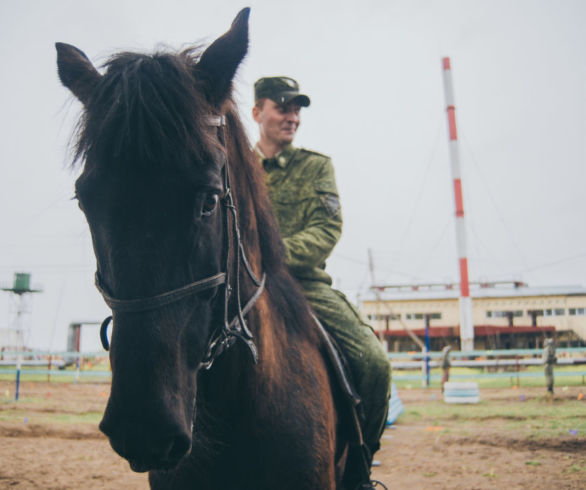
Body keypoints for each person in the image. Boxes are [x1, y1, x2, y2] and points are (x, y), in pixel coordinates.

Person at [251, 76, 391, 468]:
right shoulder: (235, 165)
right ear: (257, 112)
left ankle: (361, 463)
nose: (292, 116)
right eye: (282, 107)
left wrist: (272, 255)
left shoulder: (316, 167)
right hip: (243, 283)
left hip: (303, 284)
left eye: (296, 109)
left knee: (373, 363)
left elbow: (326, 229)